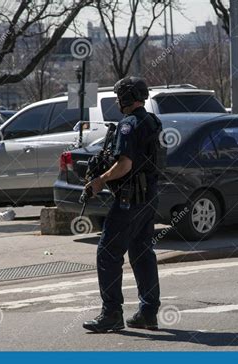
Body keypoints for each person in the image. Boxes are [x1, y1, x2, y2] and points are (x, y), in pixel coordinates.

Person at [83, 77, 162, 333]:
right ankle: (148, 313)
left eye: (119, 96)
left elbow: (125, 164)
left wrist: (100, 180)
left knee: (107, 252)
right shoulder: (151, 121)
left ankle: (112, 313)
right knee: (142, 252)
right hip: (149, 197)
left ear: (128, 97)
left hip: (130, 199)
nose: (117, 101)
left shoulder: (129, 125)